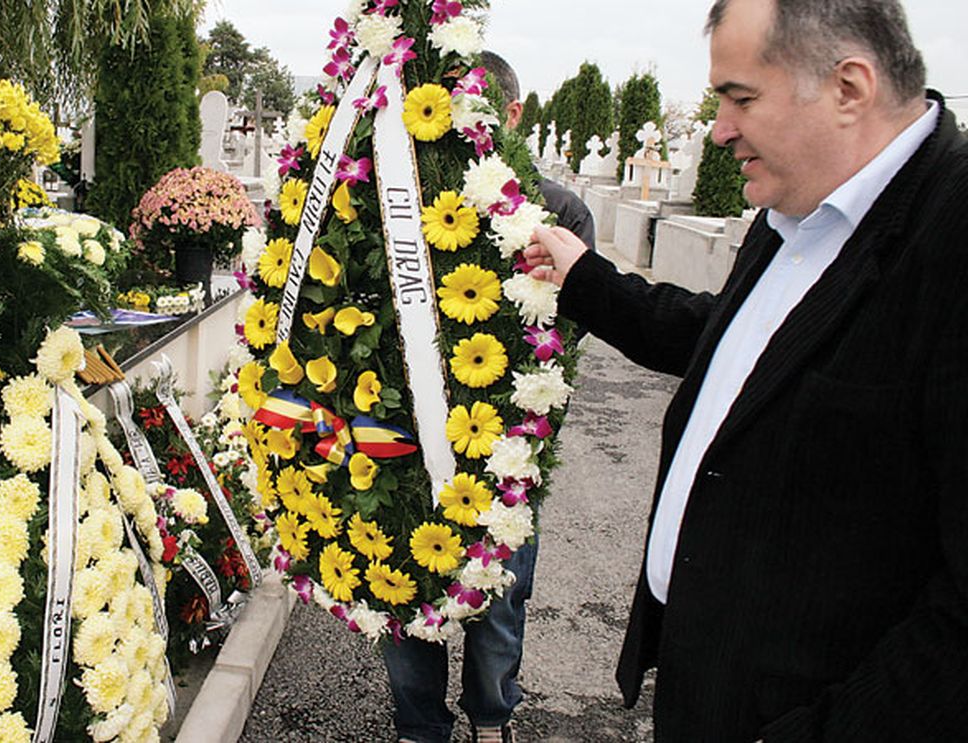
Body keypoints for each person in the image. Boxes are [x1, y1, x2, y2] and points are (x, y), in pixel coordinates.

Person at [522, 1, 968, 740]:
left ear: (848, 88)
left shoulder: (949, 238)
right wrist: (589, 282)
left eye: (742, 99)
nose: (720, 129)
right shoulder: (796, 209)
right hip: (704, 684)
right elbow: (736, 343)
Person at [381, 52, 597, 743]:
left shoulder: (558, 211)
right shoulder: (402, 196)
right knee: (404, 586)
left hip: (504, 446)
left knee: (500, 598)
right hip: (409, 439)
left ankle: (491, 715)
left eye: (468, 110)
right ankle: (419, 725)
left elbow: (570, 331)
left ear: (510, 115)